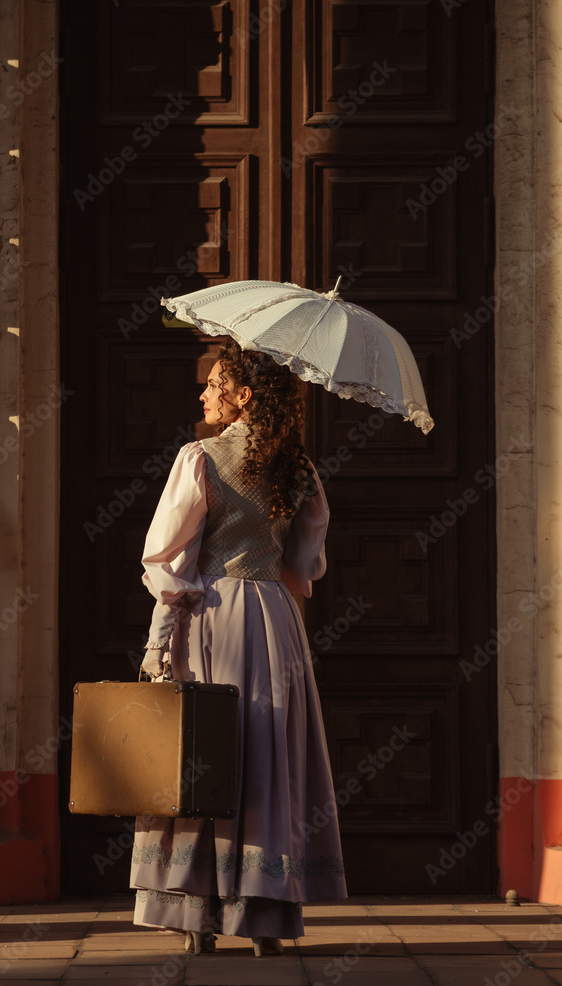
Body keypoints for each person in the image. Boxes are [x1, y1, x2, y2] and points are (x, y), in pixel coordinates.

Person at [130, 339, 347, 956]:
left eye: (214, 382)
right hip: (275, 619)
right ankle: (265, 920)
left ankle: (197, 916)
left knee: (207, 751)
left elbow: (170, 561)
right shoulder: (298, 468)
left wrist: (158, 642)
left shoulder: (199, 459)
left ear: (244, 396)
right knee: (267, 757)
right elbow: (306, 562)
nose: (204, 394)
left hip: (213, 617)